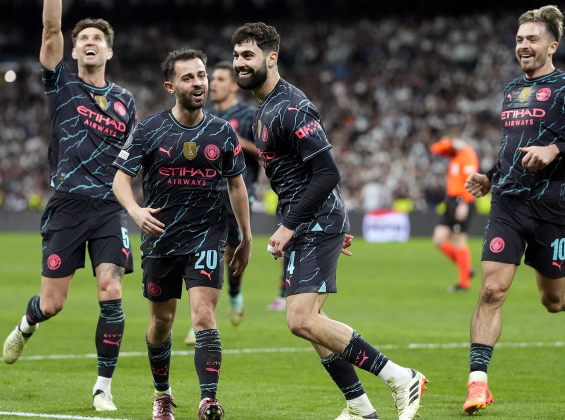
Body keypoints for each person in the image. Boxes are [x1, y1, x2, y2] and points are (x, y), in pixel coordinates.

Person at [232, 22, 427, 420]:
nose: (240, 63)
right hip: (309, 221)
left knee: (300, 318)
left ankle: (400, 376)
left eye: (248, 55)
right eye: (236, 56)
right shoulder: (263, 110)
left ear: (272, 58)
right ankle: (359, 408)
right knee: (311, 324)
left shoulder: (291, 106)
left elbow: (327, 173)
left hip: (314, 222)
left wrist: (293, 225)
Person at [462, 5, 565, 415]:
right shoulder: (511, 90)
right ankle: (478, 384)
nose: (523, 45)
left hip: (550, 209)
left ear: (552, 45)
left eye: (532, 39)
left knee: (552, 298)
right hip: (507, 205)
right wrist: (491, 176)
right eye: (519, 39)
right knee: (492, 290)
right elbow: (512, 148)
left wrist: (556, 149)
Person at [2, 0, 136, 412]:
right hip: (68, 206)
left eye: (98, 38)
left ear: (109, 52)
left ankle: (103, 387)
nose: (91, 42)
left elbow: (130, 162)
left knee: (111, 290)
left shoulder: (125, 101)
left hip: (109, 209)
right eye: (83, 39)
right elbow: (49, 29)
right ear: (73, 51)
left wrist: (134, 206)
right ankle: (28, 323)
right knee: (52, 304)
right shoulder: (61, 84)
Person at [112, 48, 252, 420]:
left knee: (203, 315)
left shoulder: (223, 131)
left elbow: (237, 186)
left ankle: (209, 399)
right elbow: (120, 179)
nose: (198, 83)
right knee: (162, 323)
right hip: (160, 238)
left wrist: (246, 237)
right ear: (170, 85)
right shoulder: (149, 130)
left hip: (207, 235)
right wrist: (135, 210)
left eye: (202, 75)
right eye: (189, 77)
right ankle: (162, 394)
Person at [184, 60, 259, 345]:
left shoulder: (249, 115)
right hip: (206, 191)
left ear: (234, 85)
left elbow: (264, 154)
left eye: (219, 79)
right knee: (206, 251)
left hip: (237, 191)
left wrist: (236, 140)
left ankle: (235, 293)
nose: (212, 84)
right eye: (211, 79)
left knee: (231, 252)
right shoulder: (204, 114)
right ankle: (200, 320)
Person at [429, 136, 479, 292]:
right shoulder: (454, 154)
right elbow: (435, 148)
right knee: (438, 239)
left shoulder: (468, 155)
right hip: (451, 200)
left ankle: (464, 283)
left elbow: (470, 181)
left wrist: (465, 203)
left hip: (461, 201)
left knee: (459, 239)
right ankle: (466, 269)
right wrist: (450, 143)